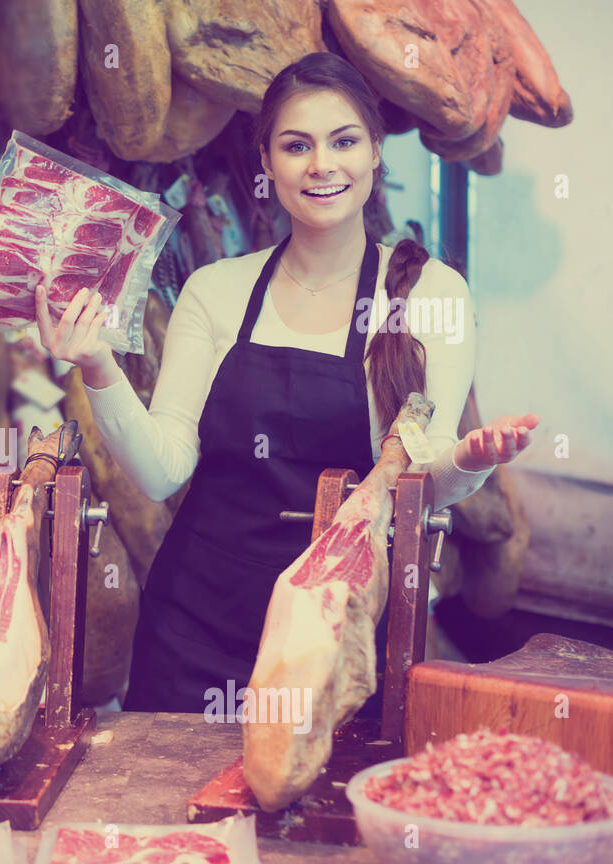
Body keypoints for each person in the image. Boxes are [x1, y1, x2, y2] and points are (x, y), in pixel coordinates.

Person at [35, 52, 539, 714]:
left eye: (344, 141)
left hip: (338, 634)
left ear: (375, 152)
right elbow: (161, 472)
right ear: (267, 164)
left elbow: (421, 484)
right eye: (296, 145)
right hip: (195, 629)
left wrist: (471, 463)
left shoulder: (428, 293)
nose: (322, 165)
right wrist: (98, 366)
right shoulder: (216, 291)